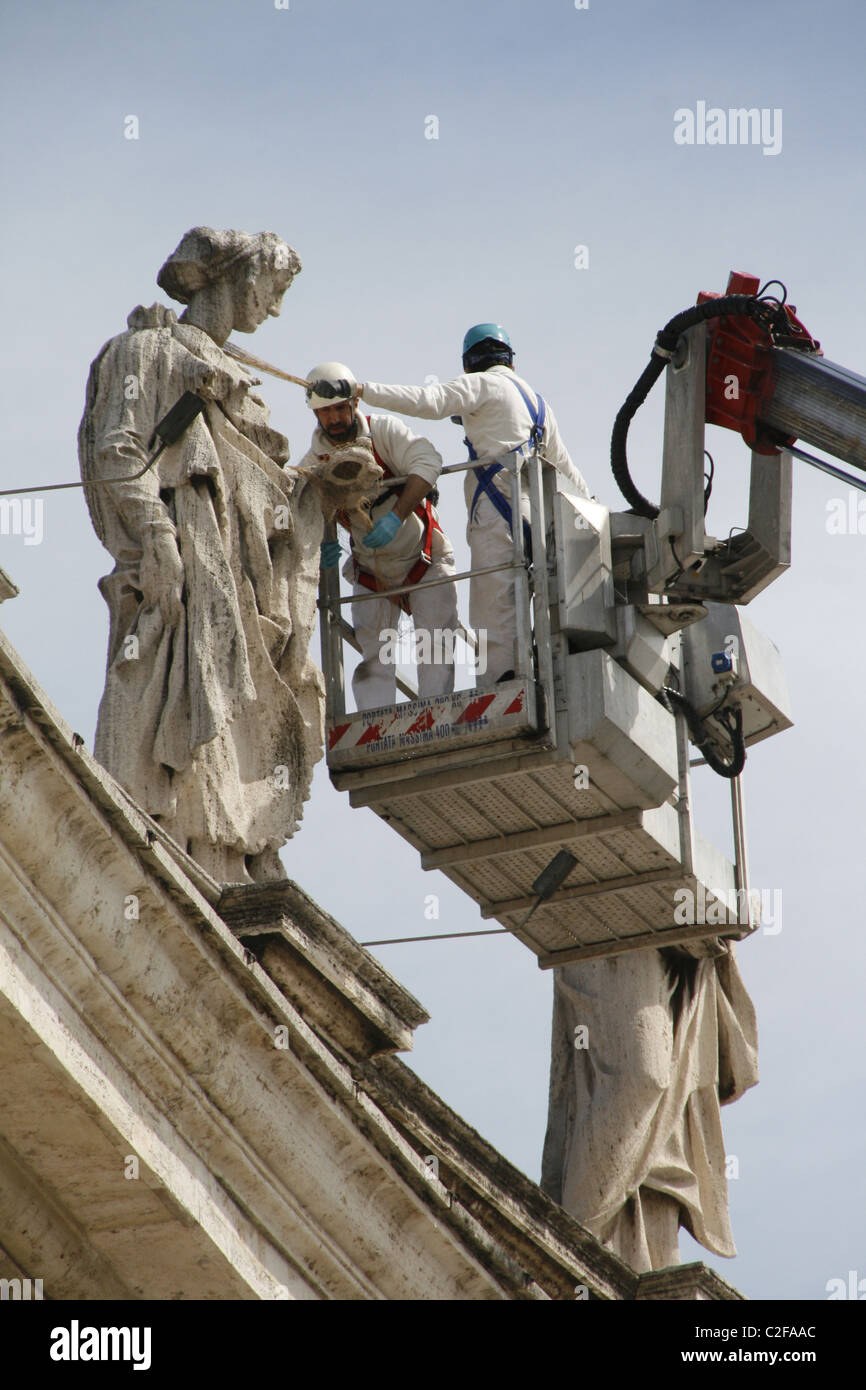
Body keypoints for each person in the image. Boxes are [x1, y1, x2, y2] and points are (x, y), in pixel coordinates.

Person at [79, 226, 325, 884]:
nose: (273, 309)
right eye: (272, 291)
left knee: (243, 694)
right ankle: (172, 838)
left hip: (240, 585)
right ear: (237, 277)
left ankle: (231, 852)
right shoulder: (147, 349)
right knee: (172, 686)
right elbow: (119, 449)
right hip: (183, 559)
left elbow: (261, 487)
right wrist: (156, 536)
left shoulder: (242, 379)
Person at [351, 324, 591, 686]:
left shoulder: (482, 385)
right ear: (510, 358)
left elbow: (427, 400)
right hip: (535, 516)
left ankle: (500, 684)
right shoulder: (539, 405)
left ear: (470, 363)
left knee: (492, 600)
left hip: (496, 511)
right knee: (537, 588)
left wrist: (364, 390)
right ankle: (542, 672)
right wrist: (594, 514)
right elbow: (568, 472)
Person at [298, 363, 459, 710]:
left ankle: (437, 718)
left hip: (423, 561)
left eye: (340, 408)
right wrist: (323, 543)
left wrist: (397, 516)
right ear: (316, 414)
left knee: (434, 646)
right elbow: (305, 508)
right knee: (374, 658)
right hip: (371, 574)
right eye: (325, 412)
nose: (334, 418)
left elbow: (427, 461)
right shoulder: (314, 461)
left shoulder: (383, 432)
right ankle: (375, 727)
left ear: (354, 404)